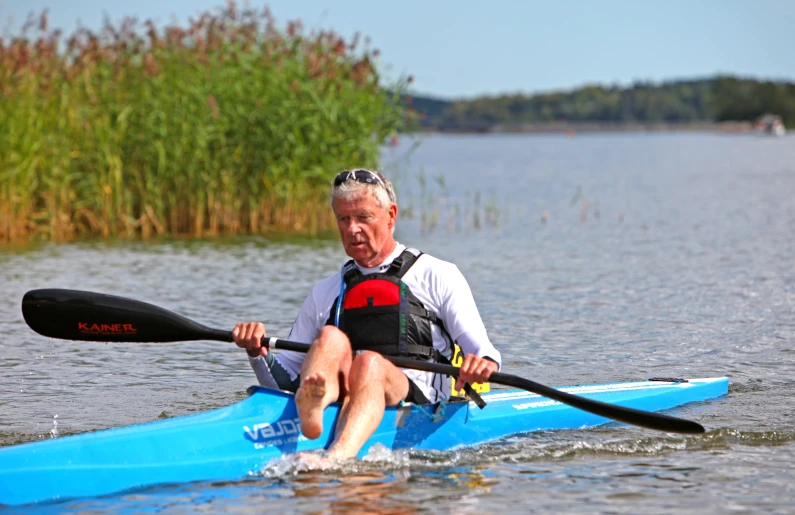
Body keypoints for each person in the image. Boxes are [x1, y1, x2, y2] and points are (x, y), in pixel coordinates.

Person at [232, 168, 501, 460]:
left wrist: (480, 364)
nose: (352, 229)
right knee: (330, 338)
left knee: (368, 363)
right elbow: (280, 385)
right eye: (343, 219)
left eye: (363, 217)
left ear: (391, 215)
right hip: (347, 393)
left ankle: (337, 457)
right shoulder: (325, 292)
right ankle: (313, 410)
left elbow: (484, 352)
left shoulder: (437, 275)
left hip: (416, 406)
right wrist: (257, 353)